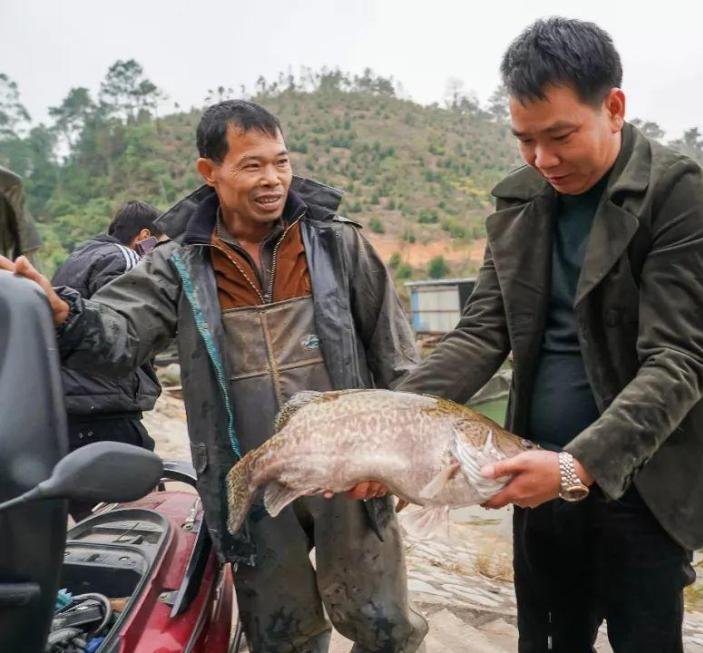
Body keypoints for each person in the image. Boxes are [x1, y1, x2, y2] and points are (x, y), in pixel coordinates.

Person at [396, 18, 703, 653]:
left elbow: (681, 358)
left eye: (560, 136)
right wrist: (394, 419)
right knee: (547, 636)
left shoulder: (674, 195)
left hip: (641, 478)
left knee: (644, 637)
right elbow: (482, 332)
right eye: (525, 141)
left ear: (614, 108)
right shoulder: (519, 202)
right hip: (529, 465)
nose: (543, 160)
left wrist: (579, 466)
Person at [1, 100, 426, 653]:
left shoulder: (336, 243)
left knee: (382, 621)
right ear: (211, 172)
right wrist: (63, 313)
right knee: (283, 632)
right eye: (253, 166)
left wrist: (401, 457)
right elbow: (118, 336)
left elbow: (398, 356)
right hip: (247, 480)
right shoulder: (177, 263)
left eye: (282, 162)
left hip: (349, 474)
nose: (273, 179)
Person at [50, 200, 165, 519]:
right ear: (145, 236)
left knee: (92, 521)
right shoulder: (127, 257)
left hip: (70, 408)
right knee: (134, 516)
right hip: (106, 407)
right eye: (159, 244)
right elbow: (127, 327)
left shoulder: (78, 257)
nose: (160, 256)